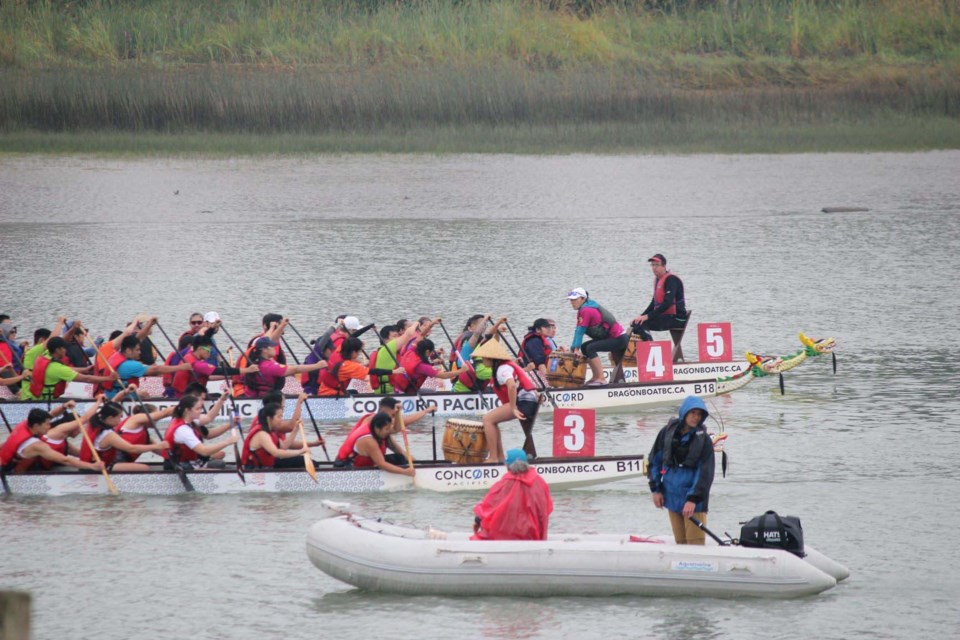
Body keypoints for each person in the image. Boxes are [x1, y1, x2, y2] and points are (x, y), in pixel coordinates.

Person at [647, 395, 715, 545]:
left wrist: (692, 499)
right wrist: (656, 490)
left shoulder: (704, 440)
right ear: (684, 412)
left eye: (699, 414)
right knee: (680, 543)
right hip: (671, 497)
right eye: (693, 413)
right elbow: (654, 461)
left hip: (693, 503)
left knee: (695, 546)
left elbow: (705, 473)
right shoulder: (666, 432)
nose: (696, 417)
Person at [471, 335, 540, 462]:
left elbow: (512, 386)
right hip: (526, 401)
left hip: (524, 403)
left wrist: (513, 407)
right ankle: (499, 456)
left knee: (487, 420)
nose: (481, 360)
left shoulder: (502, 369)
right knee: (492, 420)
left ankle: (493, 457)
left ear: (491, 358)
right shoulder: (502, 367)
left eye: (483, 357)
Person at [21, 320, 118, 401]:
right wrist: (109, 378)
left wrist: (85, 369)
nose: (66, 350)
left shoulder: (45, 356)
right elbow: (86, 379)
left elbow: (63, 342)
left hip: (35, 397)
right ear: (58, 349)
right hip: (42, 402)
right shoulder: (57, 369)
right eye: (64, 348)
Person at [471, 449, 553, 541]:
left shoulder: (503, 485)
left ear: (508, 466)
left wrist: (477, 520)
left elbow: (487, 508)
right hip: (533, 535)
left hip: (505, 536)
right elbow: (547, 509)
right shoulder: (540, 482)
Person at [0, 408, 104, 474]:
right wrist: (93, 467)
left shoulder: (25, 424)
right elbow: (65, 460)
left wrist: (64, 406)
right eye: (47, 424)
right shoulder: (37, 445)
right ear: (36, 425)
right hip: (8, 471)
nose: (50, 427)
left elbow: (51, 414)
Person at [77, 400, 171, 471]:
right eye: (119, 417)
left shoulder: (96, 424)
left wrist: (172, 457)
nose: (120, 420)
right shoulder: (108, 434)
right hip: (103, 465)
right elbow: (131, 449)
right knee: (145, 468)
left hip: (100, 463)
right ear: (110, 418)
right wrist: (158, 445)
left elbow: (109, 405)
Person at [96, 334, 192, 398]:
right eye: (137, 350)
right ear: (128, 350)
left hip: (111, 393)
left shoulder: (116, 355)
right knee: (144, 394)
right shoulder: (129, 365)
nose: (140, 352)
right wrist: (181, 367)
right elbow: (156, 369)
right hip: (117, 397)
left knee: (142, 393)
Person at [567, 288, 629, 387]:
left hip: (619, 339)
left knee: (590, 348)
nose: (572, 302)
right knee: (585, 347)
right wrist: (574, 348)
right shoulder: (583, 309)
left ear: (583, 299)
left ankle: (601, 378)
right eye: (571, 300)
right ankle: (596, 377)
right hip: (613, 338)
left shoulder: (586, 310)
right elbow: (577, 331)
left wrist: (576, 349)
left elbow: (580, 332)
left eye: (575, 299)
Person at [162, 395, 239, 470]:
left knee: (220, 461)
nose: (201, 411)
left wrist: (222, 400)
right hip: (179, 466)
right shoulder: (183, 430)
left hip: (189, 461)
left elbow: (209, 418)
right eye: (197, 409)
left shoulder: (187, 419)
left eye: (201, 408)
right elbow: (204, 451)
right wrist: (228, 442)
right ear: (187, 410)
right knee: (220, 465)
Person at [167, 335, 256, 398]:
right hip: (185, 398)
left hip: (187, 394)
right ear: (200, 349)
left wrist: (231, 376)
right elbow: (220, 371)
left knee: (217, 395)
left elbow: (209, 375)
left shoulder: (190, 355)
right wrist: (247, 370)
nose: (210, 353)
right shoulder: (196, 364)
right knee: (219, 397)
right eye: (208, 350)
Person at [236, 337, 324, 399]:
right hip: (267, 401)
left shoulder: (256, 362)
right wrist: (317, 366)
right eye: (272, 346)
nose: (275, 348)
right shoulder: (268, 366)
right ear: (264, 349)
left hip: (257, 396)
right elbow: (295, 369)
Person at [333, 411, 415, 477]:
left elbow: (396, 428)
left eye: (389, 428)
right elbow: (382, 464)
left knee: (399, 458)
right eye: (387, 429)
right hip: (346, 466)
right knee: (393, 462)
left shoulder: (377, 428)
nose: (389, 431)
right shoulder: (368, 440)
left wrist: (397, 413)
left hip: (363, 462)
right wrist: (404, 472)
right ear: (377, 428)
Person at [240, 403, 318, 470]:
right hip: (255, 469)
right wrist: (300, 451)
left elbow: (284, 446)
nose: (281, 420)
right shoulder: (262, 434)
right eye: (279, 417)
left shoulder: (271, 432)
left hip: (267, 466)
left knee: (308, 461)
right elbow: (276, 453)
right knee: (306, 461)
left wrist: (296, 429)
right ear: (269, 418)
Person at [318, 337, 402, 397]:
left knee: (354, 391)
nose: (358, 354)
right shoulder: (348, 366)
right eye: (358, 352)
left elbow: (350, 339)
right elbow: (373, 371)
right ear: (353, 352)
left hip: (324, 389)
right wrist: (394, 371)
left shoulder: (337, 352)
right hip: (330, 395)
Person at [632, 253, 688, 341]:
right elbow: (653, 302)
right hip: (666, 316)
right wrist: (641, 316)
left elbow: (667, 303)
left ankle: (651, 348)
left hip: (677, 319)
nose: (654, 268)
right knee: (636, 323)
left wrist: (648, 316)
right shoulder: (658, 280)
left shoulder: (672, 280)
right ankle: (646, 349)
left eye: (657, 265)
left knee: (640, 324)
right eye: (652, 265)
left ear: (664, 266)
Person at [397, 338, 463, 394]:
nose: (432, 354)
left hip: (398, 388)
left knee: (430, 391)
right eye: (432, 352)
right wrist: (462, 370)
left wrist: (433, 363)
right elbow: (444, 375)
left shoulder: (410, 351)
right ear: (427, 351)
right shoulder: (422, 367)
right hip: (406, 393)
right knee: (432, 392)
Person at [368, 323, 418, 395]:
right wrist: (417, 322)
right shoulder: (386, 349)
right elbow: (408, 334)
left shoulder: (393, 351)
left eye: (398, 336)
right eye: (394, 336)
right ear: (385, 339)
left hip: (396, 389)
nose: (397, 338)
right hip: (388, 392)